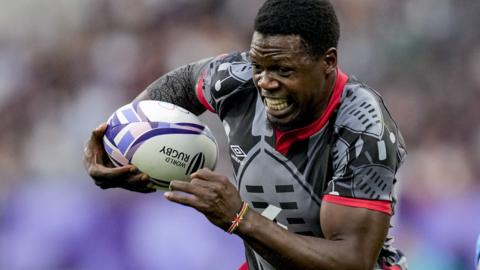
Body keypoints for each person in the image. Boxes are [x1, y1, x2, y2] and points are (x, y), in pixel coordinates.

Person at [84, 0, 408, 269]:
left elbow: (352, 261)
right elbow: (182, 85)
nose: (265, 82)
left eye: (284, 70)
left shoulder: (361, 125)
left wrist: (240, 218)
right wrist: (120, 141)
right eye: (258, 65)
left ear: (328, 62)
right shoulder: (237, 80)